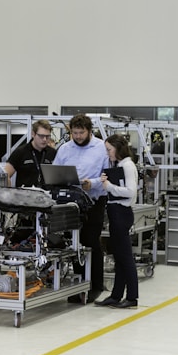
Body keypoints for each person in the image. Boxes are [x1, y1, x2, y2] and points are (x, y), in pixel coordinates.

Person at [53, 114, 108, 303]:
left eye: (81, 133)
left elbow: (107, 175)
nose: (77, 136)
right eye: (74, 133)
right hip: (71, 203)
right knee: (74, 245)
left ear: (89, 130)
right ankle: (79, 285)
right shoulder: (65, 149)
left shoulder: (101, 148)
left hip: (94, 201)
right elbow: (55, 172)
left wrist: (91, 183)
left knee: (90, 241)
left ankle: (95, 286)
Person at [95, 134, 139, 309]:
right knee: (119, 257)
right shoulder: (119, 165)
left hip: (122, 212)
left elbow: (130, 192)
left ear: (118, 148)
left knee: (125, 257)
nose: (108, 153)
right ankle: (116, 295)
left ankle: (132, 297)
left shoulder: (128, 166)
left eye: (109, 150)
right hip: (115, 212)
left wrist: (109, 187)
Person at [5, 120, 56, 188]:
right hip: (25, 195)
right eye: (41, 136)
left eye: (47, 136)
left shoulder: (53, 153)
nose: (44, 139)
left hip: (47, 195)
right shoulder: (20, 152)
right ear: (33, 134)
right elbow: (6, 175)